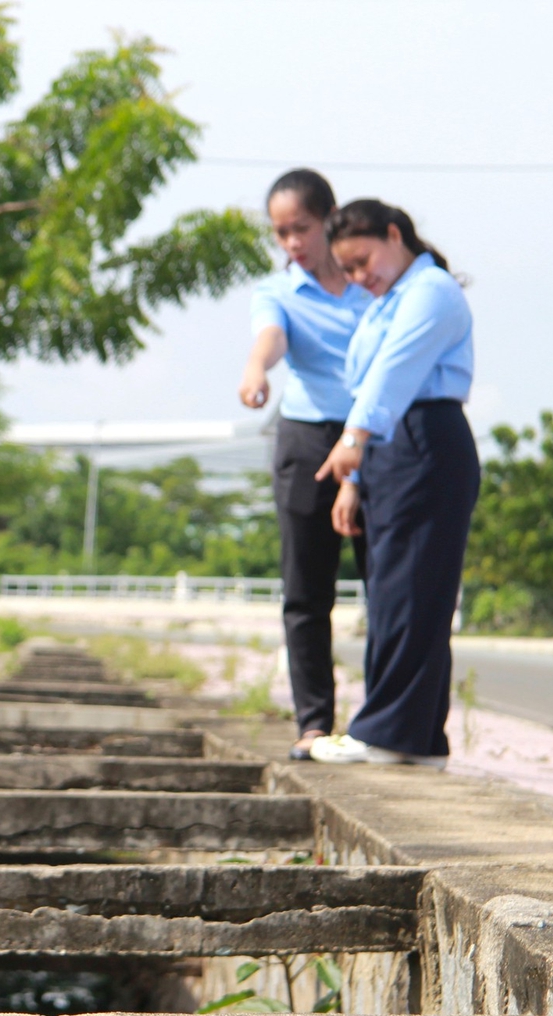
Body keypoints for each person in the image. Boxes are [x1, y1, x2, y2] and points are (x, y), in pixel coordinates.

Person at [306, 200, 477, 767]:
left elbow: (393, 372)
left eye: (364, 260)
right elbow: (365, 383)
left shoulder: (431, 291)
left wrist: (352, 440)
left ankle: (387, 733)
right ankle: (420, 738)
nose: (360, 277)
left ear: (395, 235)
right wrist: (354, 476)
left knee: (412, 593)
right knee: (392, 592)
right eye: (348, 270)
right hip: (390, 445)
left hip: (425, 439)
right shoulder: (388, 301)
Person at [237, 169, 373, 760]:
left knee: (384, 584)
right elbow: (271, 336)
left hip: (373, 434)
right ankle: (314, 721)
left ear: (328, 219)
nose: (292, 242)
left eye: (302, 228)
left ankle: (382, 723)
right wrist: (256, 368)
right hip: (306, 438)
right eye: (281, 232)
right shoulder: (278, 290)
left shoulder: (371, 281)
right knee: (305, 591)